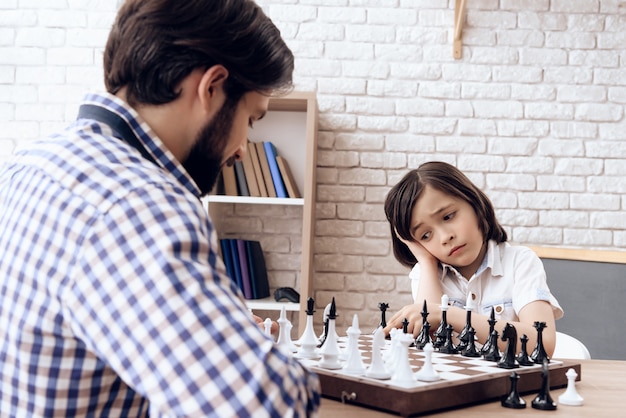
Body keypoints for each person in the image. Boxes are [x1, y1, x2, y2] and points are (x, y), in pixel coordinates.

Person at [0, 0, 320, 416]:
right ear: (211, 86)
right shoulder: (142, 205)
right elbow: (267, 406)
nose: (243, 150)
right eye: (251, 119)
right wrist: (247, 344)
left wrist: (213, 330)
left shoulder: (27, 164)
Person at [382, 161, 563, 357]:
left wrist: (448, 315)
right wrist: (426, 262)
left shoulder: (520, 262)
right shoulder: (426, 274)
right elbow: (429, 346)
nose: (445, 237)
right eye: (425, 236)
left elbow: (542, 343)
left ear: (474, 203)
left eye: (448, 216)